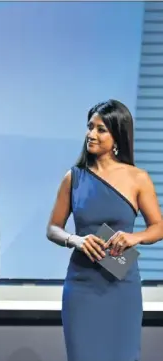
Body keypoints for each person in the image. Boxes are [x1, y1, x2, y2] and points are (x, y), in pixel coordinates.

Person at [46, 99, 163, 361]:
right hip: (82, 286)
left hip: (122, 287)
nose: (91, 134)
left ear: (118, 135)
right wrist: (75, 240)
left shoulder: (137, 178)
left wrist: (135, 237)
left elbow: (159, 227)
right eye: (90, 127)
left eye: (101, 129)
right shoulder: (74, 177)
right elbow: (53, 228)